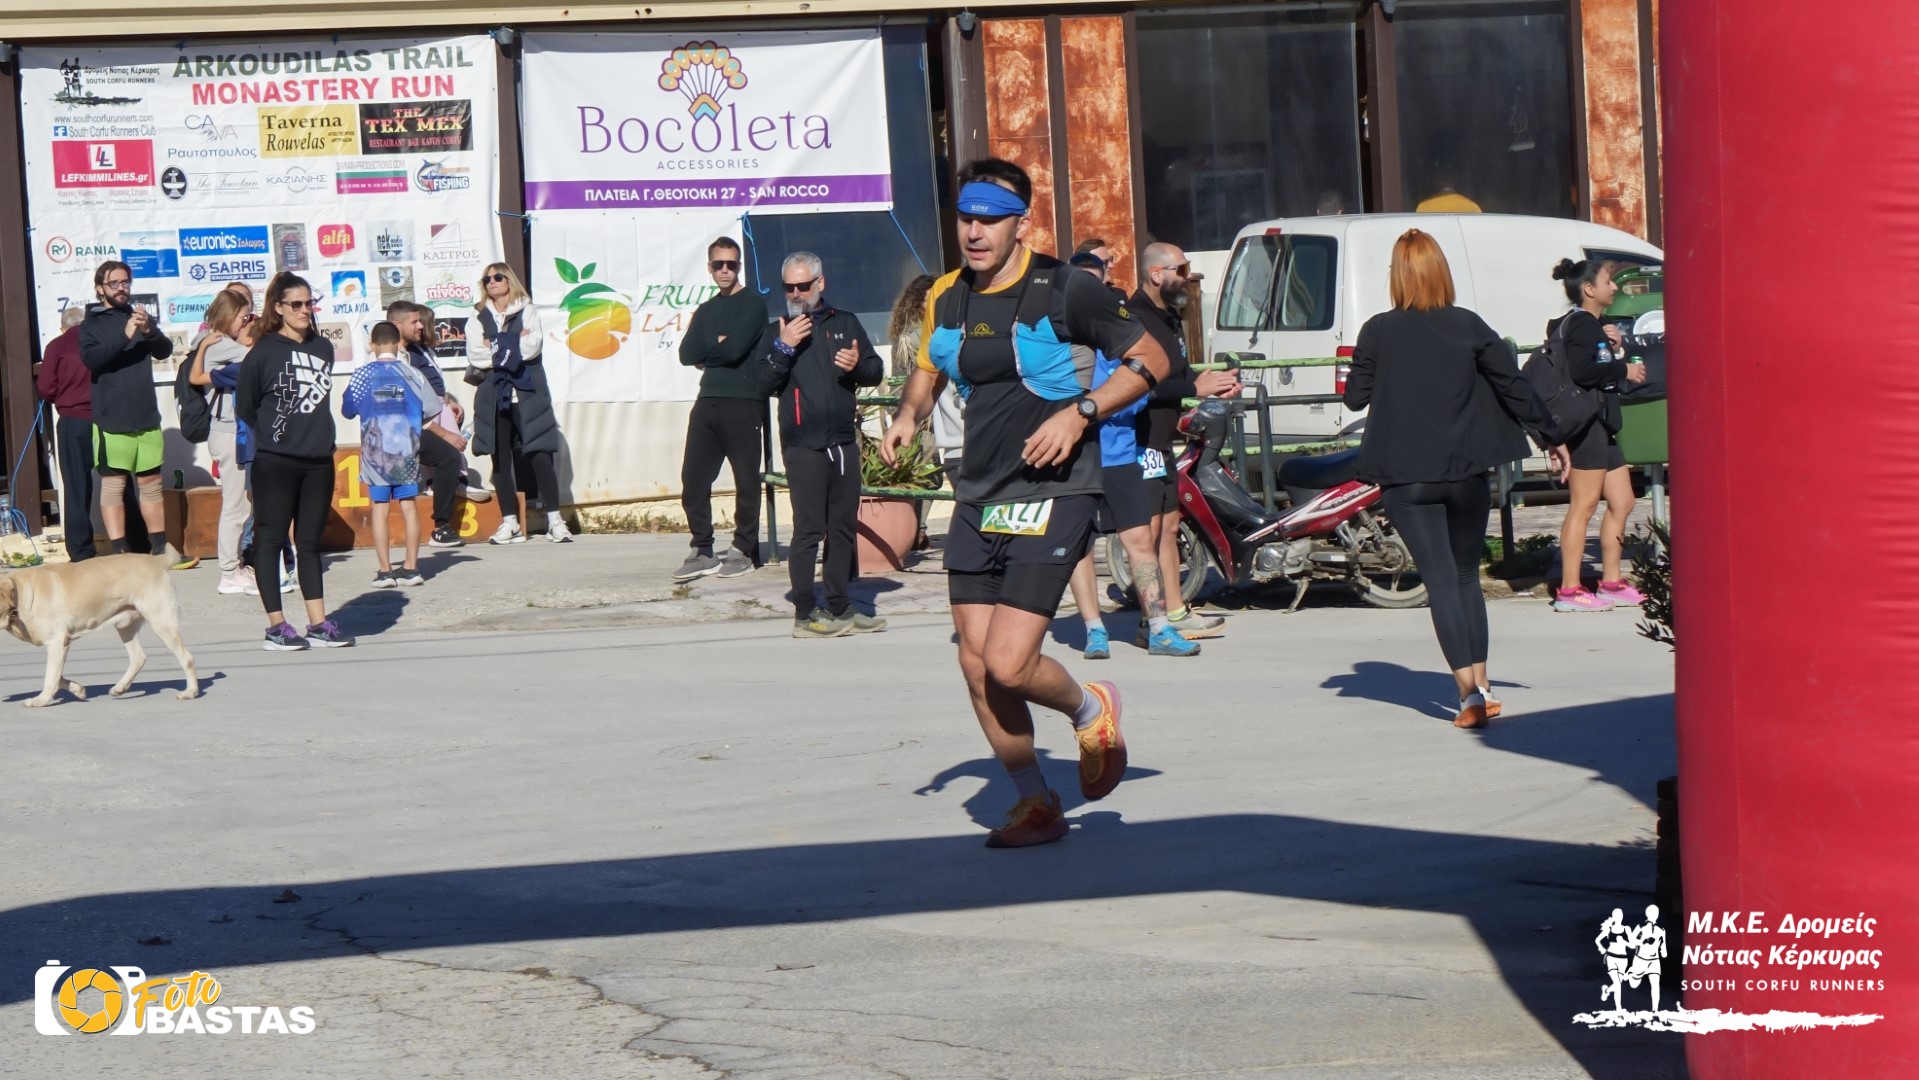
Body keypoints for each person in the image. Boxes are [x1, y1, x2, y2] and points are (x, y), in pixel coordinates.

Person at [879, 158, 1173, 848]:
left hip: (1055, 489)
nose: (974, 232)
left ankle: (1088, 708)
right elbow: (927, 368)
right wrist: (907, 415)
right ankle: (1035, 801)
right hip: (979, 493)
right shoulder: (947, 295)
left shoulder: (1065, 288)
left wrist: (1082, 411)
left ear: (1021, 224)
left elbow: (1153, 360)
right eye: (965, 219)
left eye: (990, 220)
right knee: (975, 664)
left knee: (1009, 662)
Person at [1343, 229, 1569, 728]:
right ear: (1441, 273)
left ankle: (1467, 696)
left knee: (1440, 580)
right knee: (1467, 578)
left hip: (1406, 477)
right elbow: (1514, 385)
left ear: (1397, 278)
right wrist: (1551, 437)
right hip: (1466, 470)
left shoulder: (1378, 330)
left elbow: (1355, 398)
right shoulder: (1469, 324)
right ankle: (1483, 685)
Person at [1061, 249, 1191, 659]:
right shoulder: (1056, 336)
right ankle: (1094, 629)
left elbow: (1141, 390)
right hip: (1076, 457)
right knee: (1080, 545)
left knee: (1140, 539)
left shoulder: (1117, 332)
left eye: (1097, 282)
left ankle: (1159, 628)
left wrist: (1105, 403)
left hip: (1119, 452)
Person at [757, 252, 884, 638]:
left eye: (803, 286)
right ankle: (804, 613)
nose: (796, 294)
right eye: (788, 287)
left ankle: (840, 606)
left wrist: (857, 365)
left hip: (842, 441)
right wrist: (784, 347)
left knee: (842, 529)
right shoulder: (777, 330)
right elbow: (761, 384)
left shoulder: (845, 323)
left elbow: (875, 371)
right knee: (809, 530)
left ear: (820, 283)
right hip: (803, 444)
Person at [235, 272, 353, 650]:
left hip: (318, 460)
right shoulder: (263, 352)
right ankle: (277, 627)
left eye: (309, 303)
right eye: (296, 304)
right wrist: (277, 435)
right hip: (276, 462)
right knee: (269, 541)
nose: (305, 310)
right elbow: (246, 406)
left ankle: (318, 624)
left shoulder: (323, 348)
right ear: (279, 308)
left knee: (310, 543)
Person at [1133, 241, 1236, 643]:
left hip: (1162, 442)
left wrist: (1211, 383)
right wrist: (1194, 387)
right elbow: (1137, 385)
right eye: (1181, 269)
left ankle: (1174, 611)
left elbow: (1177, 374)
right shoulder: (1134, 318)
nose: (1188, 277)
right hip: (1140, 440)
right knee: (1148, 531)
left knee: (1169, 524)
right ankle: (1151, 620)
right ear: (1156, 274)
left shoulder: (1168, 317)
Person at [1547, 258, 1648, 612]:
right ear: (1589, 289)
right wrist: (1623, 368)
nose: (1615, 286)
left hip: (1601, 425)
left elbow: (1595, 363)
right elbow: (1582, 372)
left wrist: (1614, 348)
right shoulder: (1581, 325)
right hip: (1585, 426)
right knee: (1584, 505)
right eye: (1609, 281)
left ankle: (1611, 582)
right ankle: (1569, 590)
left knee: (1623, 501)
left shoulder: (1593, 325)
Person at [77, 260, 187, 564]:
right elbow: (92, 359)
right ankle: (120, 553)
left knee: (151, 486)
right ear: (100, 289)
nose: (121, 288)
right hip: (112, 421)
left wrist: (149, 330)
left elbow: (164, 351)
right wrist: (125, 335)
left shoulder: (139, 318)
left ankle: (161, 550)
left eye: (125, 282)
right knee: (114, 487)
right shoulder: (91, 324)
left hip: (146, 418)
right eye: (114, 283)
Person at [675, 237, 769, 581]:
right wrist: (717, 345)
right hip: (707, 401)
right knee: (693, 480)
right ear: (710, 267)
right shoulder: (706, 309)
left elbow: (734, 351)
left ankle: (743, 548)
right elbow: (686, 354)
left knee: (746, 479)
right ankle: (703, 549)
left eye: (731, 264)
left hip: (743, 401)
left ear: (739, 266)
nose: (725, 270)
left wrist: (712, 348)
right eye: (719, 265)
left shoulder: (753, 305)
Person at [469, 264, 566, 545]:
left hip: (527, 393)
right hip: (493, 395)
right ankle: (509, 522)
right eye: (487, 279)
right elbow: (475, 356)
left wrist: (493, 343)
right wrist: (512, 342)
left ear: (509, 280)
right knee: (499, 459)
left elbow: (532, 347)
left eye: (497, 277)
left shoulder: (528, 310)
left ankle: (555, 521)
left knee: (540, 455)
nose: (492, 282)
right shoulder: (477, 315)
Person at [343, 321, 434, 588]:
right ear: (398, 343)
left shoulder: (361, 375)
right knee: (409, 507)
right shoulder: (414, 374)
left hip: (374, 459)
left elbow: (347, 410)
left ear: (372, 345)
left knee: (380, 509)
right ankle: (412, 568)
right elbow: (432, 408)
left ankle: (385, 571)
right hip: (407, 452)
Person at [389, 301, 477, 549]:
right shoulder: (391, 357)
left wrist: (446, 404)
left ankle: (441, 527)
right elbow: (401, 402)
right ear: (396, 325)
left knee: (448, 456)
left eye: (420, 320)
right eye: (414, 322)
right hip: (393, 435)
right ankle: (389, 560)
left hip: (413, 429)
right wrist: (444, 433)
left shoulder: (412, 352)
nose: (421, 326)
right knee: (448, 453)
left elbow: (422, 396)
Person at [187, 289, 257, 594]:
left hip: (228, 432)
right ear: (229, 315)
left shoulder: (211, 342)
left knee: (240, 504)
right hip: (228, 432)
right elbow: (257, 358)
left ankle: (234, 567)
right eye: (243, 317)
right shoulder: (220, 344)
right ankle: (229, 572)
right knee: (236, 506)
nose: (246, 322)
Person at [37, 307, 96, 562]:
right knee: (118, 482)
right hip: (105, 419)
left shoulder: (56, 346)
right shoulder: (99, 341)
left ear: (63, 327)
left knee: (75, 486)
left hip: (73, 421)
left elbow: (45, 388)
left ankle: (81, 551)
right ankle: (129, 541)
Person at [886, 274, 940, 550]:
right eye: (927, 297)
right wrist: (901, 414)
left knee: (934, 473)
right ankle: (916, 530)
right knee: (924, 471)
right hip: (920, 417)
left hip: (947, 413)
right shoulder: (907, 338)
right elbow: (898, 378)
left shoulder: (948, 329)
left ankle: (918, 528)